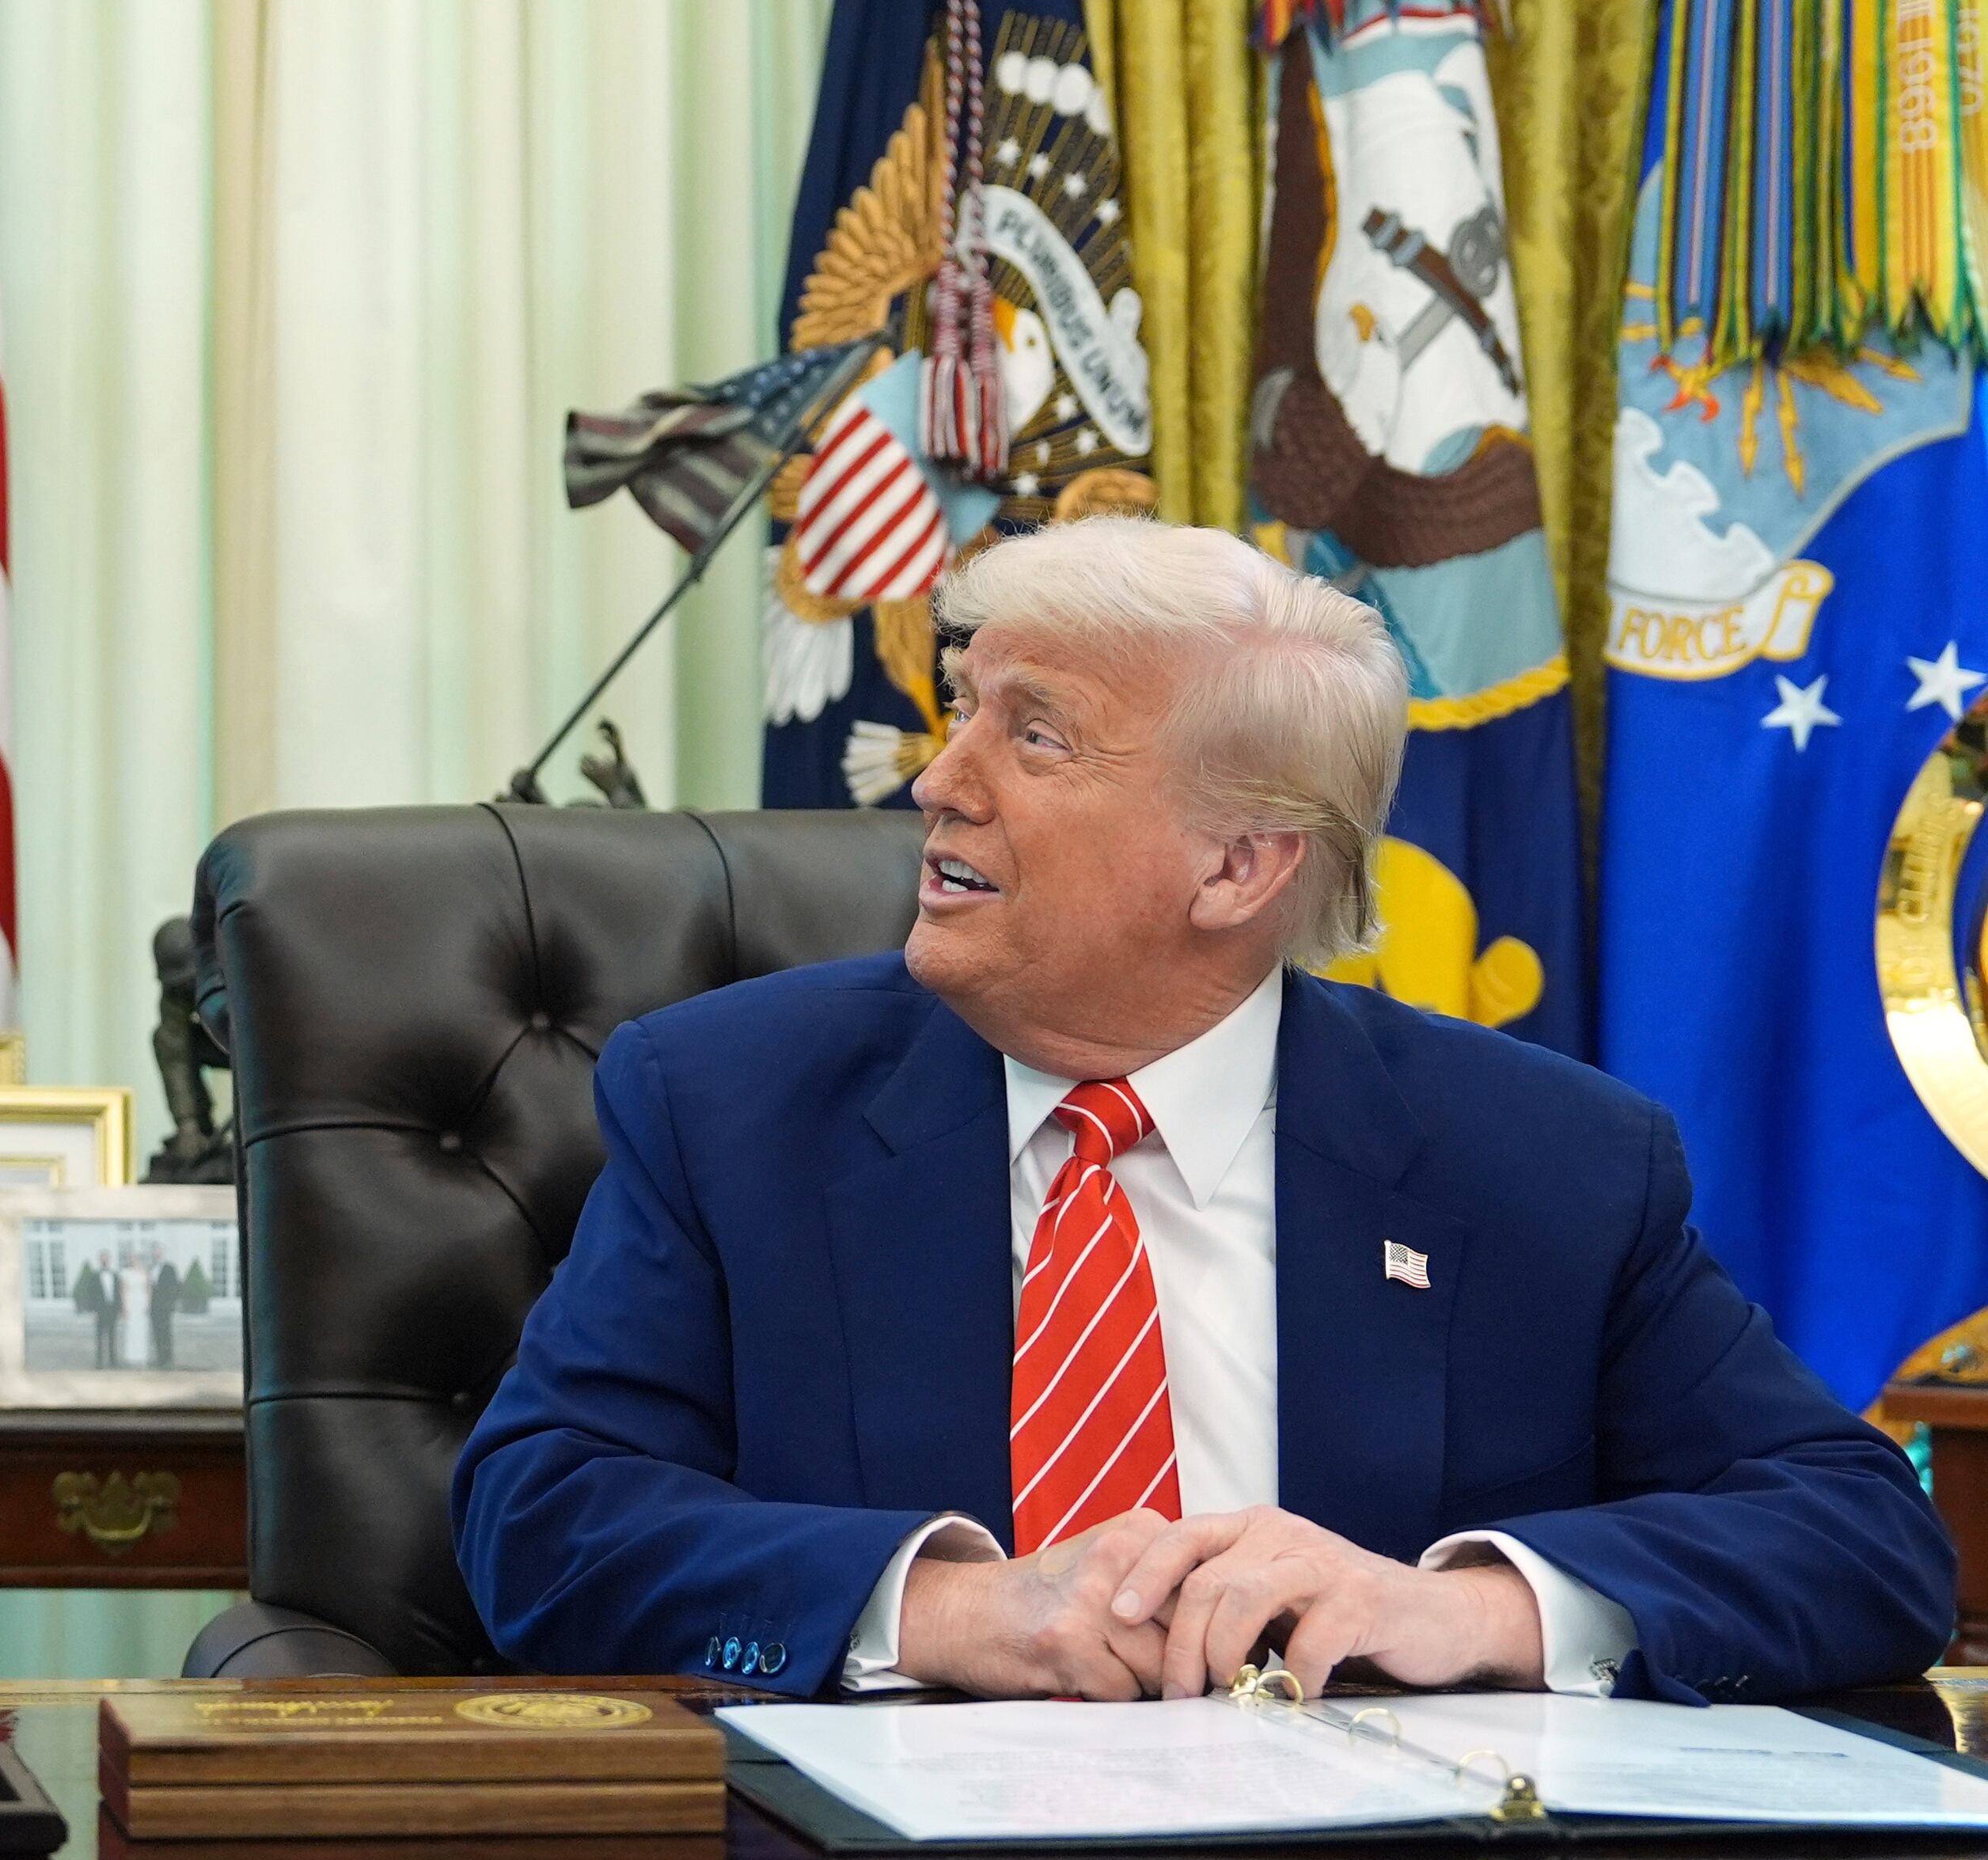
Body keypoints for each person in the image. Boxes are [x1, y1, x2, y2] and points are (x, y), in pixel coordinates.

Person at [454, 518, 1956, 1706]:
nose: (937, 780)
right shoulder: (728, 1102)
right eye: (963, 711)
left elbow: (1860, 1537)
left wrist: (1459, 1604)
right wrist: (962, 1605)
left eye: (1033, 735)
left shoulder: (1542, 1162)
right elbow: (542, 1511)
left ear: (1238, 867)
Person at [116, 1247, 154, 1369]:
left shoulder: (146, 1272)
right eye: (132, 1258)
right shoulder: (126, 1273)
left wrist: (148, 1303)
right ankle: (131, 1356)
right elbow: (123, 1290)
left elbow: (149, 1289)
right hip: (131, 1301)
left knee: (142, 1329)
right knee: (131, 1330)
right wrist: (124, 1306)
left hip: (142, 1301)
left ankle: (142, 1356)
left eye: (136, 1258)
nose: (134, 1260)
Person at [75, 1251, 115, 1366]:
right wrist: (93, 1311)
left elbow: (117, 1294)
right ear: (99, 1260)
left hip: (112, 1310)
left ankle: (113, 1361)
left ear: (109, 1260)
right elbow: (91, 1295)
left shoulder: (114, 1275)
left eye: (106, 1258)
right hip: (100, 1311)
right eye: (103, 1258)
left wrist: (119, 1309)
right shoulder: (94, 1276)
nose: (105, 1260)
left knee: (112, 1337)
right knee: (100, 1338)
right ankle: (99, 1362)